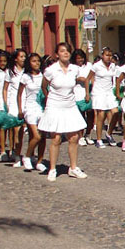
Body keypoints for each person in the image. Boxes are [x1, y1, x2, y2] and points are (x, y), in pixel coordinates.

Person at [39, 42, 88, 181]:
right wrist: (48, 98)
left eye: (67, 51)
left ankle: (73, 168)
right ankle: (52, 169)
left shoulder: (74, 69)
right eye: (62, 51)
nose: (65, 53)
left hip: (70, 105)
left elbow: (80, 81)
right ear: (57, 54)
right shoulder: (51, 70)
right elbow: (44, 86)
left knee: (74, 137)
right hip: (55, 105)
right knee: (56, 138)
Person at [16, 52, 47, 172]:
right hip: (30, 107)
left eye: (38, 61)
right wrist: (20, 109)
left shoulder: (43, 75)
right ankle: (27, 156)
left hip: (41, 107)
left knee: (43, 137)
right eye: (34, 61)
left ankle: (39, 161)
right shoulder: (25, 77)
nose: (37, 63)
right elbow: (19, 94)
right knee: (36, 136)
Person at [86, 46, 119, 148]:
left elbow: (114, 79)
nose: (108, 57)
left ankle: (109, 133)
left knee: (116, 112)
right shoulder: (96, 66)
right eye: (106, 55)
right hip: (98, 93)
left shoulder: (113, 66)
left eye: (110, 55)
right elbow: (87, 79)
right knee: (101, 114)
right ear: (102, 55)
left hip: (109, 92)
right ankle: (99, 139)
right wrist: (87, 93)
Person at [4, 49, 27, 164]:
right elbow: (5, 88)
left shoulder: (27, 71)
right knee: (16, 129)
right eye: (21, 56)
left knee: (24, 129)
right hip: (13, 102)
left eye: (24, 56)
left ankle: (25, 154)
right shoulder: (10, 72)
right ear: (15, 59)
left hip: (26, 101)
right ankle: (16, 154)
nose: (23, 58)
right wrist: (6, 103)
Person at [72, 49, 94, 146]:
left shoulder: (89, 65)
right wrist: (77, 79)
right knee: (80, 116)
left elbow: (92, 76)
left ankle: (88, 134)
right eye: (78, 58)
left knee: (90, 115)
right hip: (77, 93)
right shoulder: (72, 67)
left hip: (89, 92)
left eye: (81, 58)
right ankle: (80, 136)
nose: (80, 60)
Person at [0, 50, 8, 161]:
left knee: (4, 127)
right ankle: (1, 149)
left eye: (4, 61)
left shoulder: (8, 72)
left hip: (5, 101)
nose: (3, 63)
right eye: (1, 61)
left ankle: (3, 148)